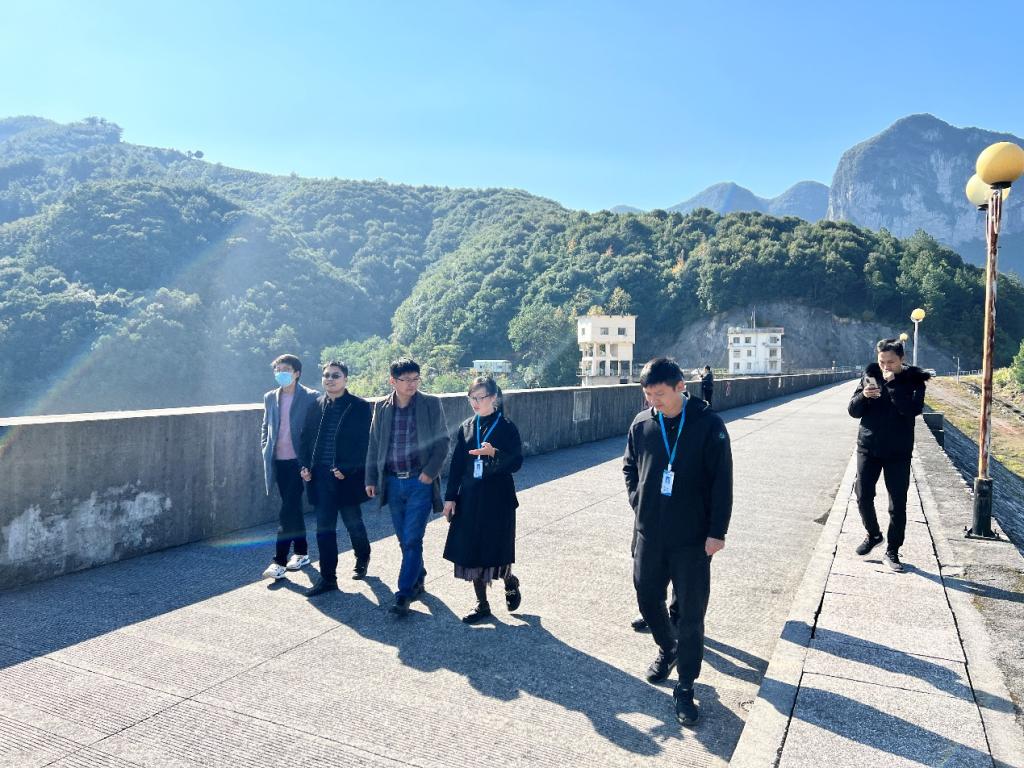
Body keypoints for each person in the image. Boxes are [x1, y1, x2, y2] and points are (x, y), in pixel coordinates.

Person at [623, 356, 733, 726]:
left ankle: (686, 685)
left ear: (680, 387)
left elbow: (722, 481)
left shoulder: (708, 424)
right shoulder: (642, 423)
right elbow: (629, 467)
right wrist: (638, 501)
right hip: (649, 532)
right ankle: (667, 647)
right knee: (646, 596)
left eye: (660, 394)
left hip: (692, 538)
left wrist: (717, 531)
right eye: (648, 394)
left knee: (690, 613)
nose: (653, 401)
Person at [365, 358, 450, 617]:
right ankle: (418, 574)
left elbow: (443, 441)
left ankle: (403, 593)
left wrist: (429, 473)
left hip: (419, 481)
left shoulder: (430, 404)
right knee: (404, 539)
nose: (411, 384)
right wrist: (371, 478)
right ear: (393, 381)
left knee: (413, 538)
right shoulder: (382, 407)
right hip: (392, 482)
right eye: (405, 380)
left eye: (415, 379)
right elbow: (374, 444)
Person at [442, 376, 524, 624]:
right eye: (472, 398)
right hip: (470, 497)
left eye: (481, 397)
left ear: (494, 398)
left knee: (496, 548)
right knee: (471, 550)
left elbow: (516, 462)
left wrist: (494, 453)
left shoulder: (506, 427)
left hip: (498, 498)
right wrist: (450, 497)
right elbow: (457, 465)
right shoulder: (467, 427)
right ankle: (482, 604)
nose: (476, 403)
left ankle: (509, 580)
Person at [848, 338, 930, 573]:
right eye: (881, 361)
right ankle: (874, 534)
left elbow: (912, 410)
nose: (885, 367)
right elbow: (853, 411)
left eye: (891, 362)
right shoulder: (871, 375)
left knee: (897, 504)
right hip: (868, 446)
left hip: (898, 451)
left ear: (902, 359)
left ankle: (893, 550)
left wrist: (893, 386)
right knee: (863, 495)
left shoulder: (915, 380)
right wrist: (864, 396)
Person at [299, 361, 373, 596]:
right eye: (327, 375)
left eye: (335, 375)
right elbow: (304, 439)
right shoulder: (315, 406)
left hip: (345, 478)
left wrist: (348, 469)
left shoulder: (359, 406)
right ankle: (328, 578)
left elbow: (364, 443)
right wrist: (304, 466)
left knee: (353, 522)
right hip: (320, 477)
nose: (330, 379)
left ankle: (363, 556)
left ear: (345, 379)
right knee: (324, 529)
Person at [260, 354, 319, 580]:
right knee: (292, 507)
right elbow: (266, 426)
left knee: (287, 511)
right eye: (277, 369)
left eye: (285, 369)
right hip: (278, 461)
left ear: (297, 373)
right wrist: (265, 447)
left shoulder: (311, 397)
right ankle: (302, 553)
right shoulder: (270, 397)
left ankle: (279, 561)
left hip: (299, 462)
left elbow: (315, 431)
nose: (280, 373)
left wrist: (309, 462)